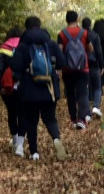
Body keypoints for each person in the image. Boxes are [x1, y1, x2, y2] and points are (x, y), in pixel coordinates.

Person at [10, 16, 65, 161]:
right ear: (40, 26)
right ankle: (56, 139)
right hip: (49, 88)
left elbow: (14, 66)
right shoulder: (50, 43)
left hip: (29, 90)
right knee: (50, 119)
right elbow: (62, 62)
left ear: (26, 28)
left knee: (31, 120)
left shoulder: (23, 45)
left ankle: (34, 153)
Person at [55, 10, 91, 130]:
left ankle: (73, 119)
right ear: (77, 19)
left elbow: (59, 52)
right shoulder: (84, 33)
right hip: (83, 68)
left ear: (66, 20)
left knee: (70, 94)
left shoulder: (62, 34)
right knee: (82, 93)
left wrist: (59, 68)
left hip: (68, 69)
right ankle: (82, 119)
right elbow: (90, 48)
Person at [0, 25, 23, 151]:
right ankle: (20, 145)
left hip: (8, 86)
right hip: (23, 86)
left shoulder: (3, 48)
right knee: (22, 113)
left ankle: (15, 140)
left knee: (11, 112)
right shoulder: (24, 46)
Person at [86, 16, 104, 115]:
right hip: (96, 62)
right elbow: (100, 51)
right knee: (97, 86)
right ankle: (96, 105)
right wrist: (102, 65)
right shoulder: (97, 35)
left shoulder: (80, 35)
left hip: (83, 64)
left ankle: (87, 106)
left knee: (86, 85)